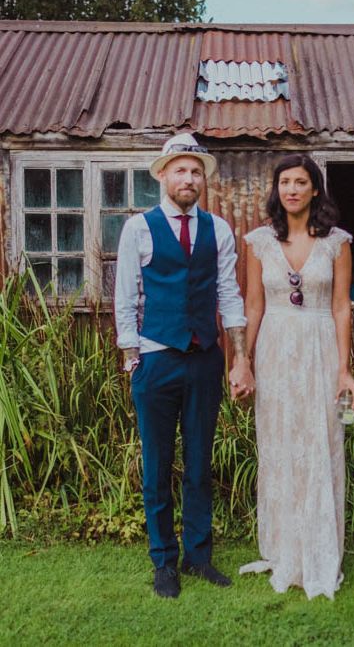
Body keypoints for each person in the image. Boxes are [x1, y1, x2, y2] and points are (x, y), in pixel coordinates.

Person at [114, 132, 253, 599]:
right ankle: (164, 562)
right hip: (155, 360)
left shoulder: (218, 229)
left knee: (198, 463)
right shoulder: (138, 228)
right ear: (163, 175)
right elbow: (126, 296)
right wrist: (133, 357)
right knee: (157, 465)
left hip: (205, 360)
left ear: (202, 180)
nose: (188, 177)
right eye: (180, 169)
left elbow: (228, 295)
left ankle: (198, 557)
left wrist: (239, 359)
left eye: (195, 171)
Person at [236, 154, 354, 600]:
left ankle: (318, 552)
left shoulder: (336, 243)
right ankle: (284, 548)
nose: (291, 189)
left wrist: (345, 369)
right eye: (285, 182)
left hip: (319, 346)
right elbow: (254, 305)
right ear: (277, 190)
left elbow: (341, 306)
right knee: (279, 443)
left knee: (319, 442)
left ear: (314, 190)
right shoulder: (258, 242)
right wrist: (242, 360)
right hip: (274, 348)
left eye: (301, 182)